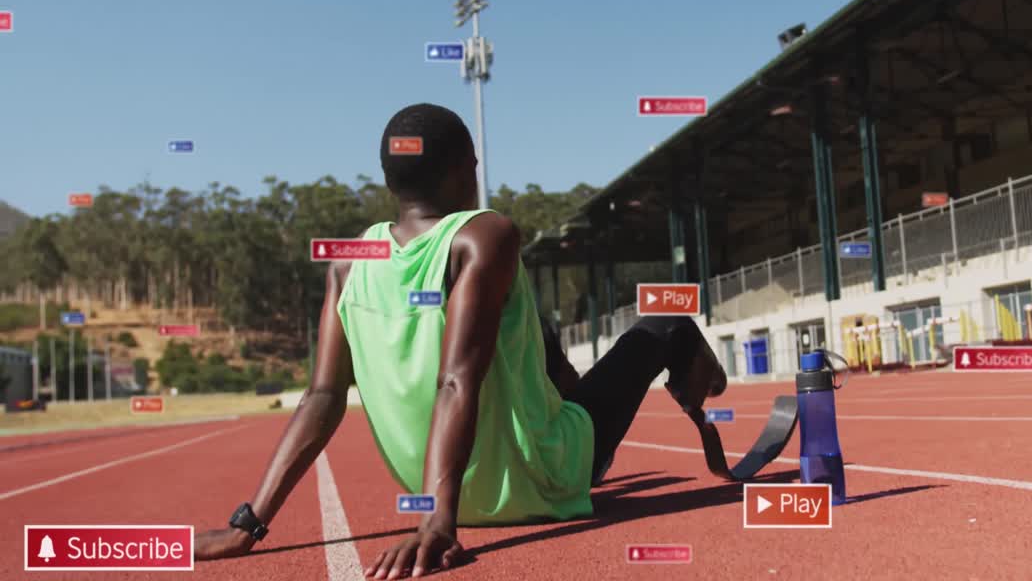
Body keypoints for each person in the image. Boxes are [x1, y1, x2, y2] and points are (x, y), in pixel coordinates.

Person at [193, 103, 727, 579]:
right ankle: (700, 369)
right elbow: (456, 379)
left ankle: (592, 391)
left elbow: (323, 398)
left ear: (390, 182)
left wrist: (248, 525)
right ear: (467, 168)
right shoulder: (483, 234)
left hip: (432, 494)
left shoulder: (348, 262)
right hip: (533, 483)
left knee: (527, 333)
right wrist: (437, 528)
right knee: (664, 321)